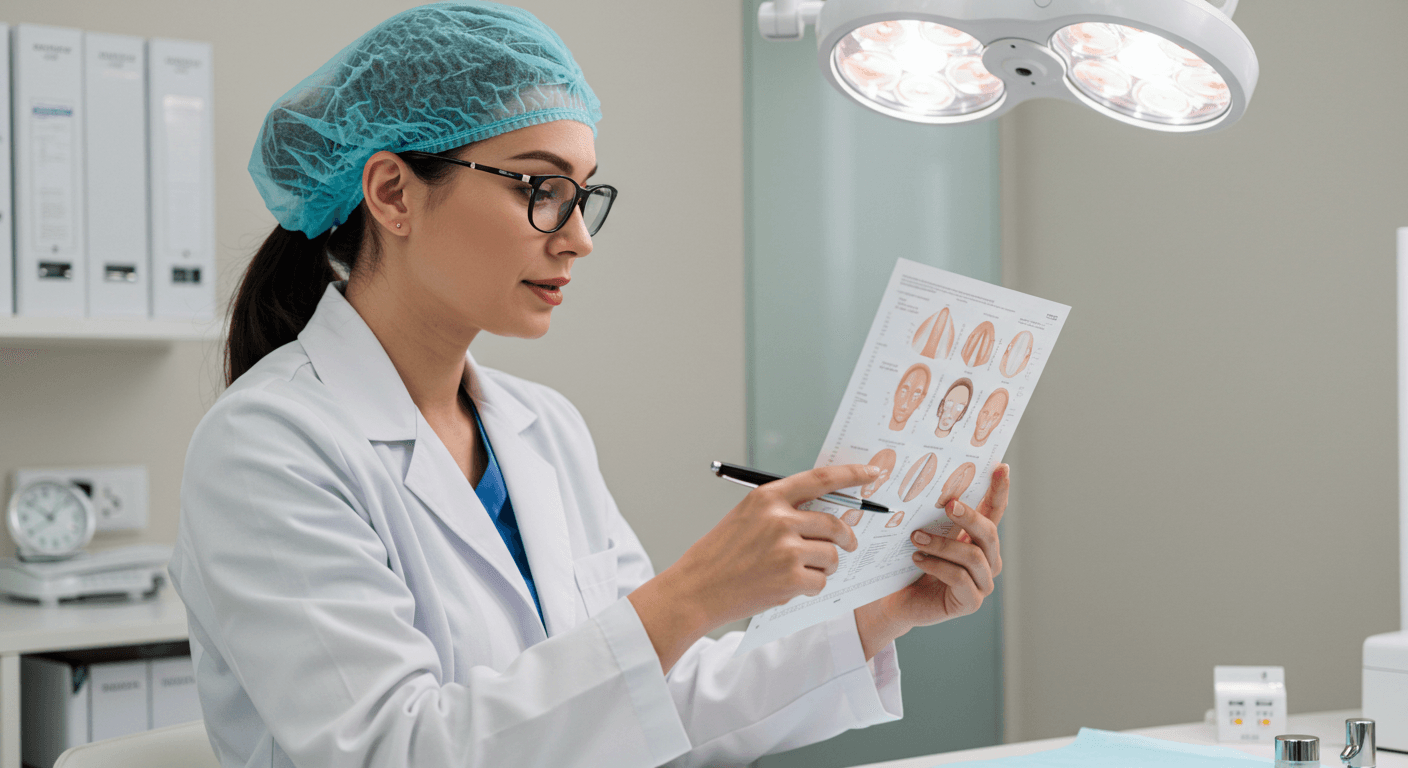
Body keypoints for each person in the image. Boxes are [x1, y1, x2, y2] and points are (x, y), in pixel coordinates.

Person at [168, 4, 1007, 767]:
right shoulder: (269, 447)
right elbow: (394, 751)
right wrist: (694, 592)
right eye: (540, 189)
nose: (578, 240)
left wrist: (883, 612)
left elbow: (648, 706)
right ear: (393, 192)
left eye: (583, 196)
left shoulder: (543, 427)